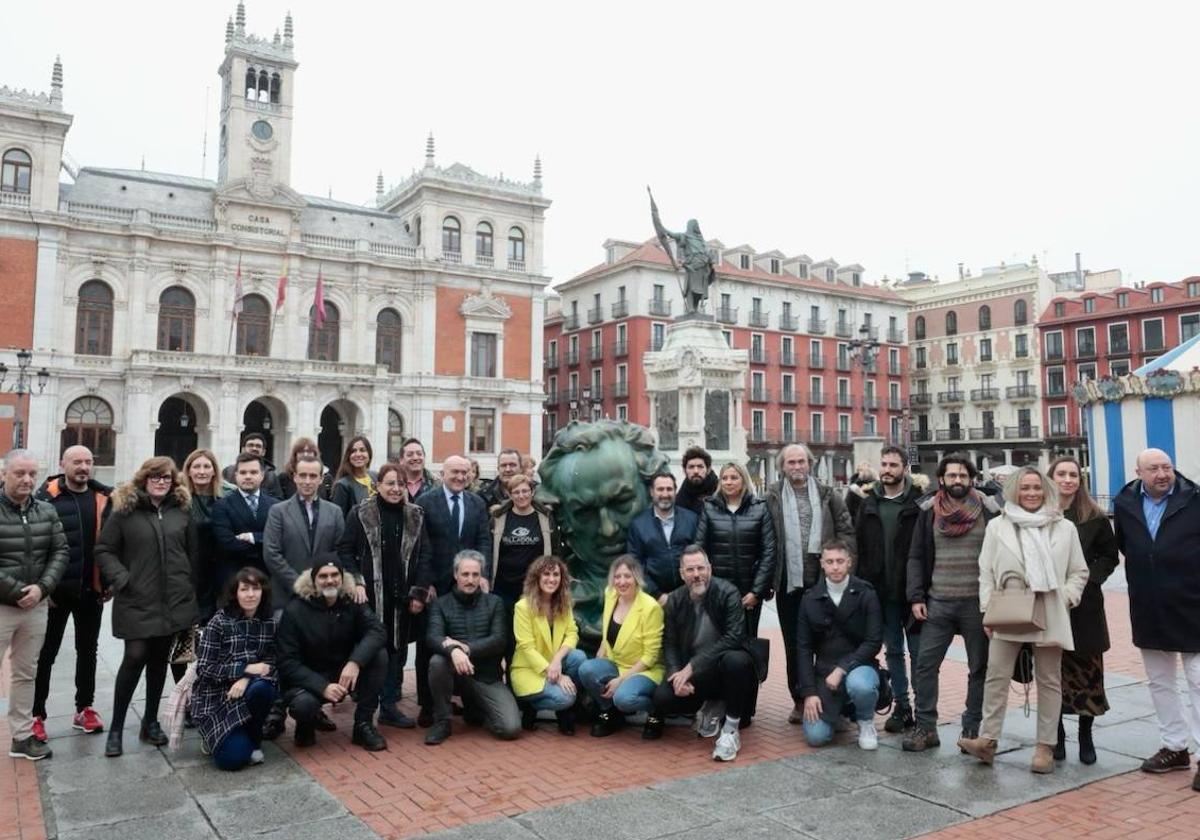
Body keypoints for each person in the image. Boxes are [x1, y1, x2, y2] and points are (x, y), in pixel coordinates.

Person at [959, 468, 1089, 774]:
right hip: (1009, 607)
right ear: (1014, 491)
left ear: (1046, 490)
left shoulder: (1064, 527)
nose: (1031, 493)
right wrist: (987, 609)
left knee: (1049, 679)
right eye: (1025, 488)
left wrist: (1066, 597)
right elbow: (986, 571)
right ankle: (988, 741)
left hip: (1050, 607)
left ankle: (1045, 747)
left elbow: (1079, 572)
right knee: (996, 676)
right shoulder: (998, 527)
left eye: (1037, 488)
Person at [96, 456, 199, 757]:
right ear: (144, 478)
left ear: (173, 481)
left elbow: (192, 554)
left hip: (173, 599)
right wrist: (121, 578)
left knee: (158, 662)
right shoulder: (125, 510)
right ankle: (116, 728)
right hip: (137, 597)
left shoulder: (181, 511)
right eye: (155, 476)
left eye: (166, 477)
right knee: (134, 657)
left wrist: (187, 584)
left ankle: (151, 723)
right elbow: (104, 549)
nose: (161, 481)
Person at [902, 454, 1002, 753]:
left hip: (977, 604)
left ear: (971, 478)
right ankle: (926, 728)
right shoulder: (928, 510)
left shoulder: (989, 509)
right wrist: (916, 596)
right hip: (938, 603)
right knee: (924, 665)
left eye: (962, 475)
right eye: (951, 475)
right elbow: (916, 555)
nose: (957, 480)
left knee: (979, 668)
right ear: (941, 479)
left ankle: (971, 729)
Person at [1112, 449, 1200, 785]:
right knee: (1160, 681)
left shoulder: (1194, 499)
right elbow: (1126, 546)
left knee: (1198, 681)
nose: (1163, 474)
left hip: (1193, 602)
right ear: (1139, 472)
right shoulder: (1124, 504)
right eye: (1154, 469)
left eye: (1167, 467)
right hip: (1148, 604)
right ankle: (1174, 747)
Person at [763, 443, 855, 725]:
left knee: (829, 641)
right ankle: (800, 699)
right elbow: (765, 538)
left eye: (801, 461)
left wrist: (843, 568)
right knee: (794, 644)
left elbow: (846, 531)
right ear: (782, 467)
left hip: (823, 582)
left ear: (810, 463)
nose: (796, 467)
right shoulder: (772, 497)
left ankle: (833, 697)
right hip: (788, 583)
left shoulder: (829, 495)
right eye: (790, 463)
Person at [651, 546, 764, 762]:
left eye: (701, 568)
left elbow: (734, 637)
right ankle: (710, 705)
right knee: (662, 698)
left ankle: (731, 730)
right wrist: (676, 675)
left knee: (736, 660)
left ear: (710, 569)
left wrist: (691, 667)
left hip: (725, 669)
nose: (696, 575)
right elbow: (670, 643)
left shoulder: (728, 592)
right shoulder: (675, 600)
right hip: (698, 674)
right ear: (682, 573)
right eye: (690, 569)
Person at [338, 462, 429, 729]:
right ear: (378, 485)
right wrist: (355, 581)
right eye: (390, 483)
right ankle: (367, 705)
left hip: (403, 597)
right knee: (375, 650)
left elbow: (425, 556)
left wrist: (419, 593)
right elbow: (345, 550)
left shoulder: (416, 514)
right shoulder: (361, 513)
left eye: (401, 484)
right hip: (370, 596)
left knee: (397, 651)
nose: (396, 489)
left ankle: (389, 706)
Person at [32, 445, 111, 742]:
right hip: (55, 592)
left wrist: (109, 581)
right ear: (63, 463)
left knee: (87, 651)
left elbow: (111, 543)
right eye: (77, 461)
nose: (83, 467)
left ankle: (84, 708)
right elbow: (37, 547)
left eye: (88, 462)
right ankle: (36, 714)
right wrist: (44, 586)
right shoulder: (45, 498)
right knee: (46, 654)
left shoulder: (104, 497)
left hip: (91, 590)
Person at [275, 556, 388, 751]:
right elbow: (287, 662)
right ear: (313, 580)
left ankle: (363, 725)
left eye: (335, 575)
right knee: (302, 706)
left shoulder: (352, 600)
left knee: (379, 656)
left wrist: (355, 662)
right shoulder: (295, 610)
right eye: (323, 576)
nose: (330, 580)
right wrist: (322, 686)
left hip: (344, 672)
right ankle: (306, 723)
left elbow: (377, 631)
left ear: (342, 577)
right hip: (308, 679)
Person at [1048, 456, 1119, 764]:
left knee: (1088, 673)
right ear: (1051, 478)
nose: (1067, 479)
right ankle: (1057, 736)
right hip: (1048, 604)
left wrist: (1089, 579)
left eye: (1073, 475)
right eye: (1061, 474)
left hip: (1084, 606)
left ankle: (1085, 735)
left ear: (1080, 480)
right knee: (1051, 673)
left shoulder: (1094, 516)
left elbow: (1109, 556)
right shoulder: (1040, 514)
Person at [0, 450, 68, 761]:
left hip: (35, 606)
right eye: (19, 473)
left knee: (26, 674)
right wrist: (17, 591)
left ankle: (22, 737)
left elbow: (60, 552)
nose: (27, 479)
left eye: (32, 474)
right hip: (4, 605)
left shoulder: (46, 510)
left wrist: (41, 589)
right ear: (4, 475)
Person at [414, 454, 491, 726]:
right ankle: (428, 705)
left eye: (465, 472)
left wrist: (484, 574)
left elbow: (484, 539)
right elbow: (421, 547)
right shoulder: (426, 501)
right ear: (442, 474)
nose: (460, 477)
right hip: (436, 584)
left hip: (468, 585)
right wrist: (425, 584)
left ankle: (467, 699)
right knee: (429, 646)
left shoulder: (477, 503)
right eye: (454, 472)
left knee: (467, 639)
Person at [851, 446, 923, 734]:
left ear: (905, 468)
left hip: (913, 591)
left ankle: (924, 709)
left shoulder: (920, 502)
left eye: (894, 464)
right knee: (893, 650)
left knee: (919, 654)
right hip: (880, 590)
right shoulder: (867, 501)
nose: (887, 469)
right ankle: (902, 706)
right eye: (884, 464)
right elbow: (856, 543)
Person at [423, 550, 520, 745]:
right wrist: (454, 651)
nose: (470, 580)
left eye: (475, 575)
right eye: (465, 574)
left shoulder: (495, 603)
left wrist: (465, 648)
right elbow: (433, 637)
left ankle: (476, 708)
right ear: (455, 575)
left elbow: (499, 640)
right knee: (437, 662)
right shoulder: (441, 604)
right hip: (454, 672)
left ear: (481, 576)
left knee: (510, 728)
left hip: (486, 676)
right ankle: (442, 721)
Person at [795, 540, 883, 751]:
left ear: (849, 563)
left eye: (840, 561)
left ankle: (865, 721)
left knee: (860, 686)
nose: (835, 566)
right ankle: (839, 715)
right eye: (830, 561)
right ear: (822, 564)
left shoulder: (866, 593)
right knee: (816, 737)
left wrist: (842, 668)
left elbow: (874, 642)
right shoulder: (809, 599)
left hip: (859, 667)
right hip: (824, 674)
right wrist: (809, 693)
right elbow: (803, 648)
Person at [191, 567, 278, 771]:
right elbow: (205, 668)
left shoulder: (269, 623)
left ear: (263, 591)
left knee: (263, 689)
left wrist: (246, 677)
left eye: (255, 589)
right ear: (235, 593)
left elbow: (270, 663)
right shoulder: (219, 623)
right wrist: (244, 668)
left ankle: (254, 738)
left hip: (250, 688)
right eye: (244, 589)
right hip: (217, 696)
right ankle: (219, 738)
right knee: (231, 760)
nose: (250, 594)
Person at [577, 556, 664, 737]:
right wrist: (602, 647)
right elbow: (609, 631)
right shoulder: (611, 594)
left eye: (627, 576)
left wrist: (621, 680)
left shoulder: (650, 608)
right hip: (616, 661)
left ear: (636, 578)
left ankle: (656, 711)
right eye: (617, 577)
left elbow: (650, 657)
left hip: (643, 670)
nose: (622, 582)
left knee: (624, 698)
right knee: (586, 669)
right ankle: (610, 712)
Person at [695, 462, 776, 636]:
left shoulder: (760, 508)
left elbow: (768, 552)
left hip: (749, 591)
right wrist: (708, 588)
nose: (728, 482)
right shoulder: (709, 508)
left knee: (747, 642)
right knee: (716, 641)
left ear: (744, 480)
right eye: (724, 478)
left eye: (734, 477)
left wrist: (756, 591)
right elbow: (700, 550)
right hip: (717, 591)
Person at [264, 453, 345, 614]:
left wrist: (321, 582)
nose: (307, 481)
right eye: (303, 475)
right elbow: (271, 553)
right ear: (295, 477)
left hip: (324, 597)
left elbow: (340, 551)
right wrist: (300, 584)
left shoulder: (335, 512)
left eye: (313, 476)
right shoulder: (278, 511)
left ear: (321, 479)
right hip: (286, 597)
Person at [510, 556, 584, 735]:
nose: (552, 579)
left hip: (553, 662)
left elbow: (572, 633)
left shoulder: (563, 603)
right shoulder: (522, 607)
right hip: (528, 669)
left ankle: (564, 716)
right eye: (546, 574)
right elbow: (526, 647)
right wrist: (558, 678)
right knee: (566, 698)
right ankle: (530, 706)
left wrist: (558, 660)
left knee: (578, 657)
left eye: (556, 574)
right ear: (536, 577)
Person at [626, 472, 699, 604]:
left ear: (675, 492)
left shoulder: (691, 519)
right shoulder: (638, 525)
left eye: (669, 489)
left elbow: (700, 556)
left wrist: (690, 590)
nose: (665, 494)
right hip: (653, 600)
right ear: (652, 492)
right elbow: (635, 564)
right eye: (660, 489)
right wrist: (657, 594)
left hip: (689, 597)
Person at [210, 452, 280, 588]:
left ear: (262, 475)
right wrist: (265, 543)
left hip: (267, 577)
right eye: (243, 472)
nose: (248, 476)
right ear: (235, 476)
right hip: (233, 577)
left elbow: (281, 539)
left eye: (253, 472)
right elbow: (227, 543)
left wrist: (253, 537)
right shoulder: (221, 506)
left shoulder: (276, 506)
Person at [490, 474, 558, 610]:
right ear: (509, 495)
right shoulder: (498, 518)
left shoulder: (546, 518)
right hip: (504, 587)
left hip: (534, 587)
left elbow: (555, 549)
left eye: (525, 491)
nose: (521, 496)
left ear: (532, 492)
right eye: (516, 492)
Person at [182, 449, 224, 629]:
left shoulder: (224, 499)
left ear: (214, 471)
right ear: (188, 471)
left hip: (217, 571)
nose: (201, 471)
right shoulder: (179, 500)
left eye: (207, 466)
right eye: (196, 466)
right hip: (189, 570)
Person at [221, 434, 282, 498]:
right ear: (243, 449)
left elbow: (277, 500)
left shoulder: (271, 475)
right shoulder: (228, 471)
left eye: (258, 446)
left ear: (263, 452)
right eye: (250, 445)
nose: (254, 448)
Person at [331, 436, 377, 517]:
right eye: (353, 451)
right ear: (349, 456)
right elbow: (339, 518)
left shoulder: (376, 477)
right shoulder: (342, 485)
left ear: (369, 454)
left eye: (362, 450)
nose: (358, 454)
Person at [276, 437, 333, 501]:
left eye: (309, 451)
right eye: (301, 452)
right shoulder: (284, 477)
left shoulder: (327, 478)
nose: (305, 455)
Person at [675, 446, 717, 516]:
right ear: (684, 470)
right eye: (691, 467)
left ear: (708, 469)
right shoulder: (681, 497)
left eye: (700, 466)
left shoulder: (719, 492)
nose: (696, 471)